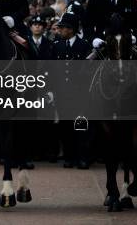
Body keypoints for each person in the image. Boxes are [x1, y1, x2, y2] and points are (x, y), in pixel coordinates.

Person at [51, 13, 92, 170]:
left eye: (63, 27)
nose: (60, 30)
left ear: (71, 29)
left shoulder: (84, 46)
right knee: (65, 127)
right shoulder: (57, 46)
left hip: (80, 93)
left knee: (81, 127)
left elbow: (88, 71)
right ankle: (69, 157)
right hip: (62, 93)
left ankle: (82, 158)